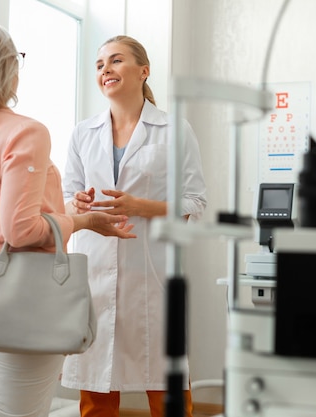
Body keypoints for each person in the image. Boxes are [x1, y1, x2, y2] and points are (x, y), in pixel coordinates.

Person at [0, 21, 137, 417]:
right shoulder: (24, 133)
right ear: (2, 68)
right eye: (16, 58)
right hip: (19, 288)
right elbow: (19, 232)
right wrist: (81, 222)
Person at [60, 35, 207, 417]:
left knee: (167, 390)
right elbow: (65, 197)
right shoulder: (82, 133)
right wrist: (77, 203)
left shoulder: (175, 130)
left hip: (152, 272)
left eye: (115, 60)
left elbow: (195, 202)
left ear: (144, 71)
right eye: (99, 64)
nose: (105, 69)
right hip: (95, 273)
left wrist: (139, 206)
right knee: (95, 393)